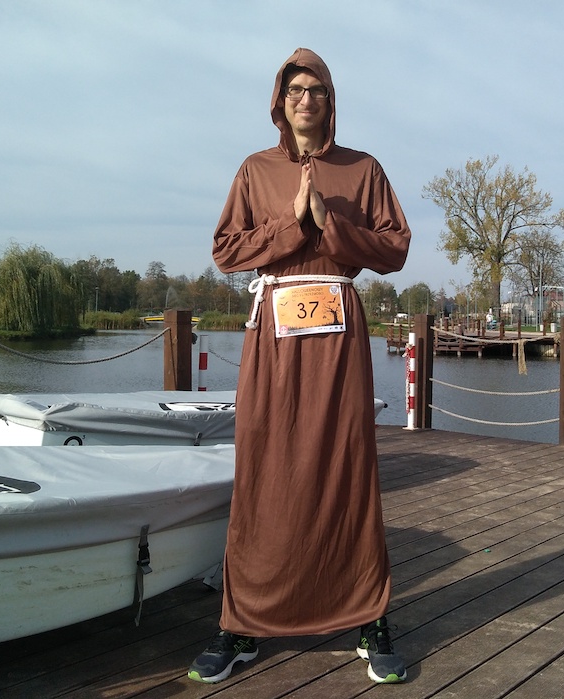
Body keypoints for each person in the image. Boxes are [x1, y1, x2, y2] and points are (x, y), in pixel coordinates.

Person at [189, 48, 411, 685]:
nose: (306, 99)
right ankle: (242, 624)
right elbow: (226, 249)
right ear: (279, 103)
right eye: (295, 91)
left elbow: (395, 248)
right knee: (264, 466)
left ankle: (370, 618)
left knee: (348, 466)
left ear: (331, 101)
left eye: (316, 90)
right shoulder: (255, 170)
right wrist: (291, 224)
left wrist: (330, 224)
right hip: (275, 337)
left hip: (338, 334)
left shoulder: (364, 169)